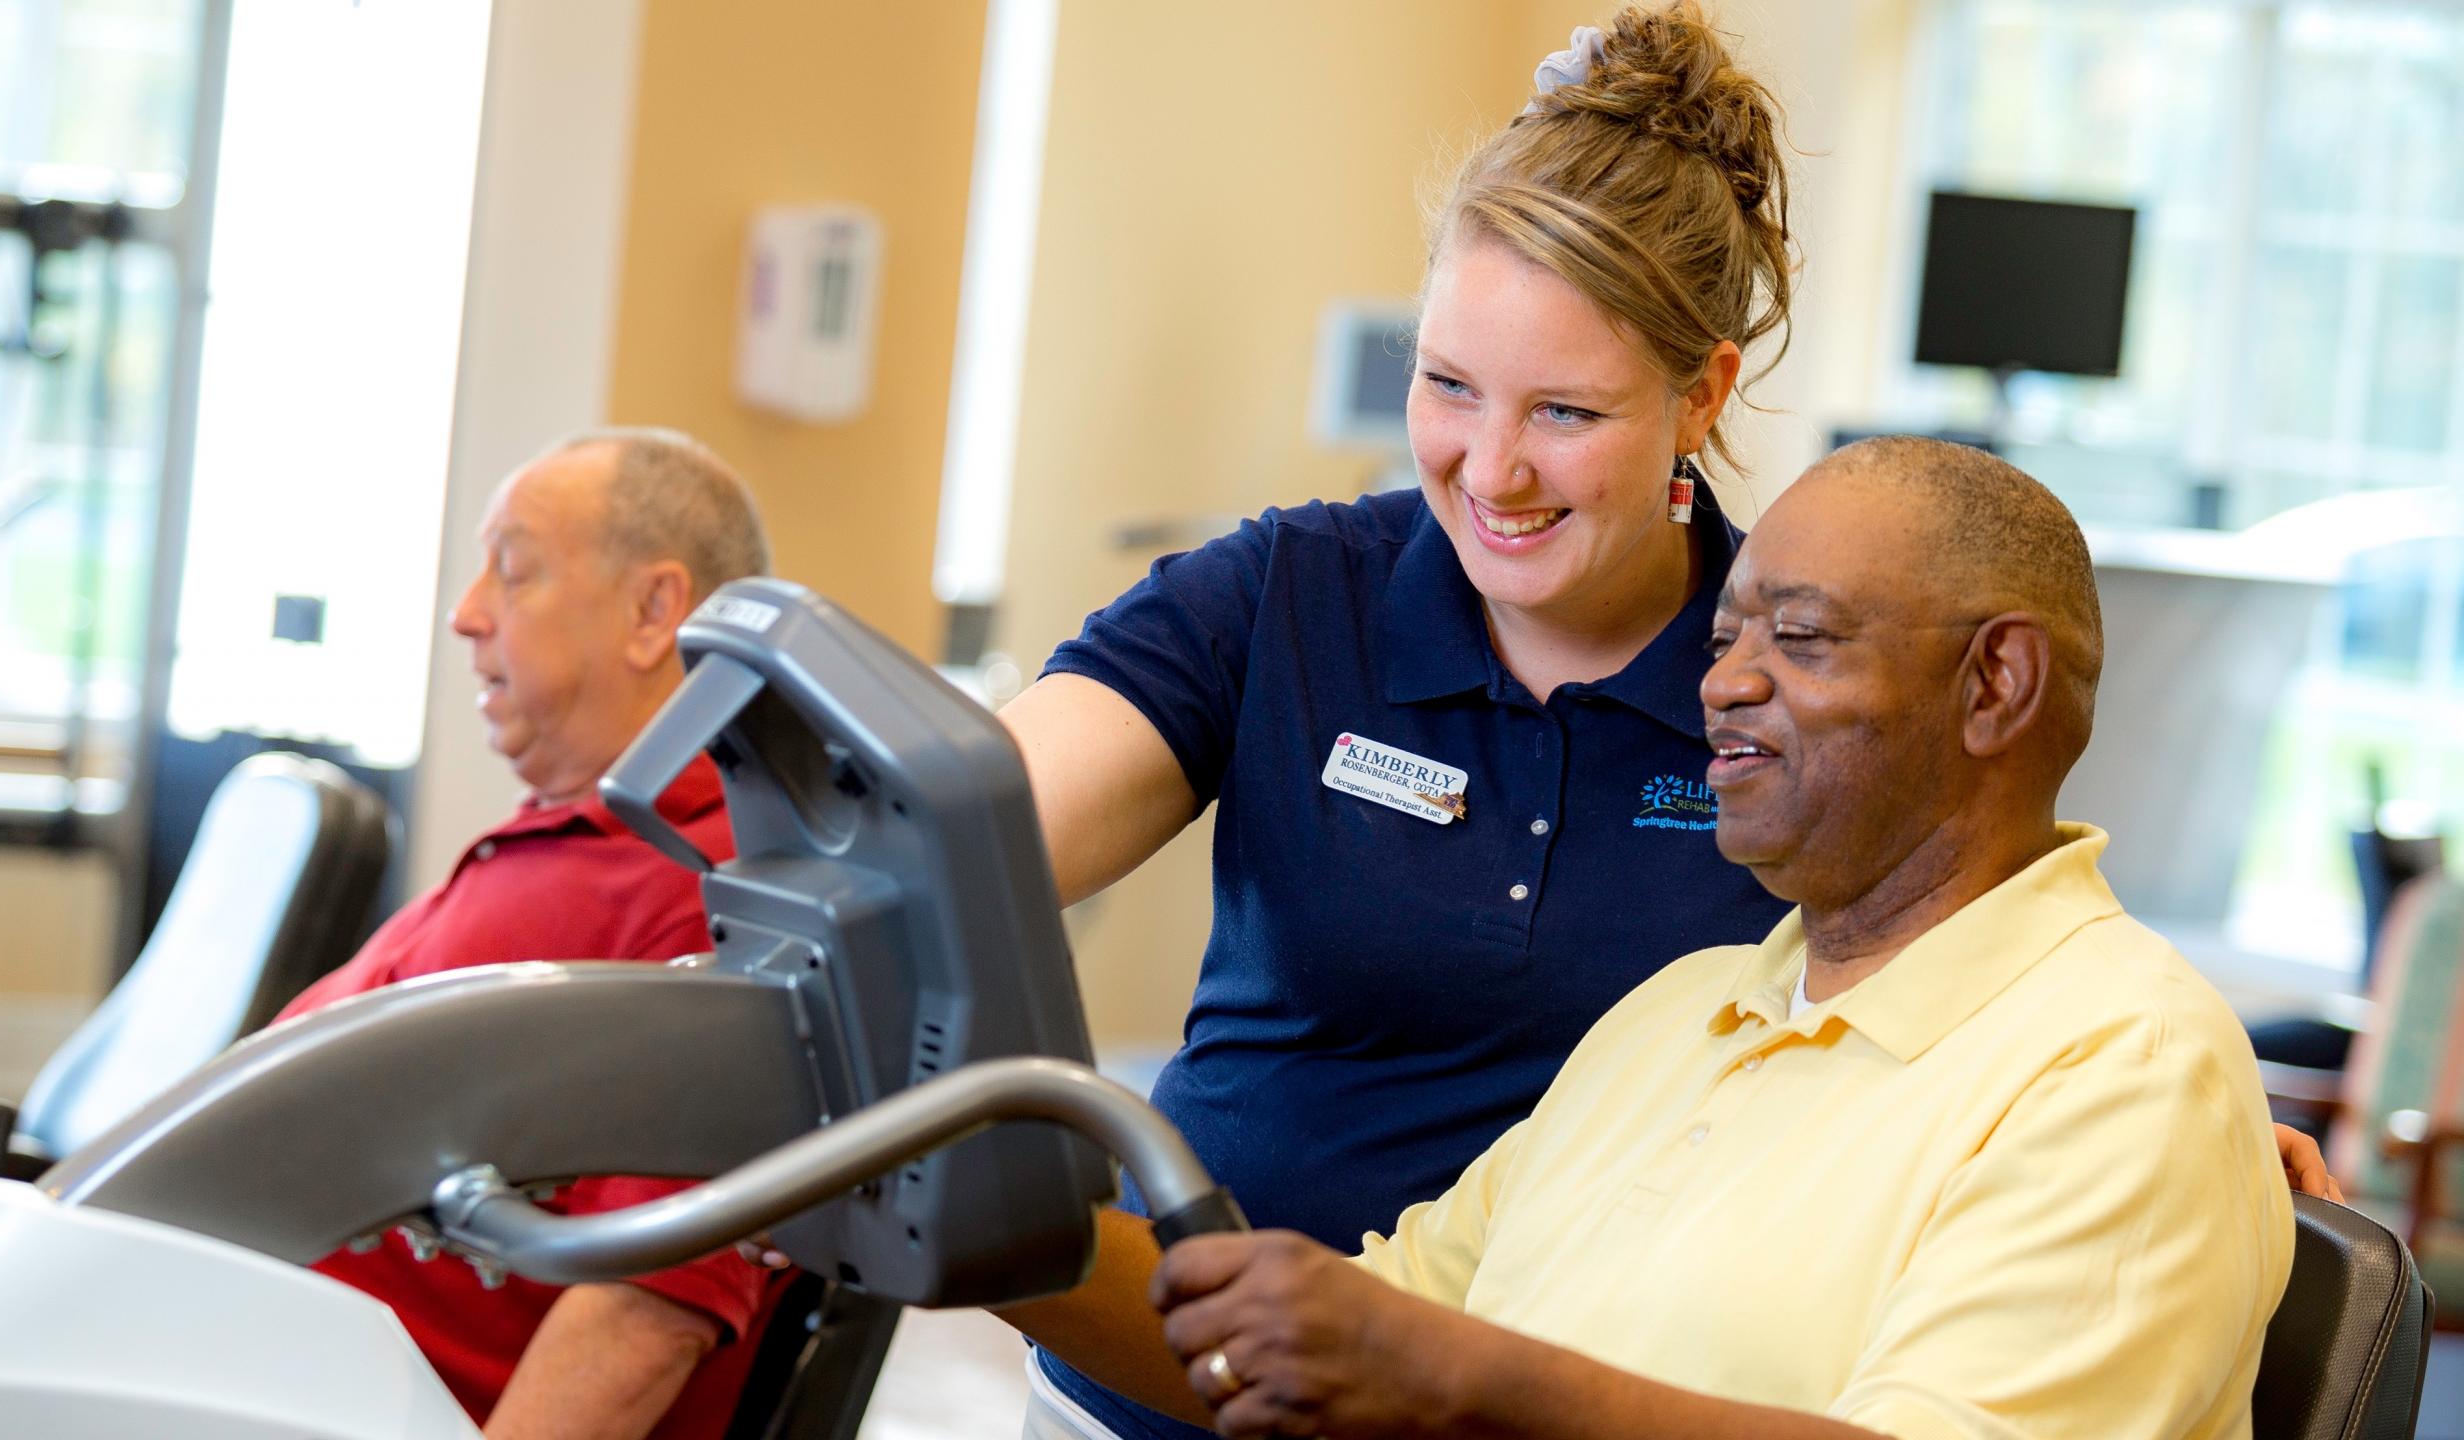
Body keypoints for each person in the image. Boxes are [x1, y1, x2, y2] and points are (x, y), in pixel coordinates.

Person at [991, 10, 2329, 1437]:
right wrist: (955, 1192)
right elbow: (971, 843)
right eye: (1446, 384)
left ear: (1701, 395)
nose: (1489, 469)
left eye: (1564, 410)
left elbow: (2007, 972)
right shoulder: (1672, 1013)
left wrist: (2157, 1119)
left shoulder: (1874, 805)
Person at [1064, 437, 2297, 1439]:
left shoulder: (2121, 1068)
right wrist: (985, 1238)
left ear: (1993, 687)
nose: (1720, 684)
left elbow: (1421, 1366)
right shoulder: (1681, 1012)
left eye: (1797, 640)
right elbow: (1340, 1354)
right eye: (1721, 642)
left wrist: (1461, 1377)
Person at [278, 427, 783, 1440]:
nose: (466, 615)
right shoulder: (580, 833)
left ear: (654, 613)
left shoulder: (723, 889)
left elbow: (648, 1310)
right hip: (219, 1320)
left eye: (511, 572)